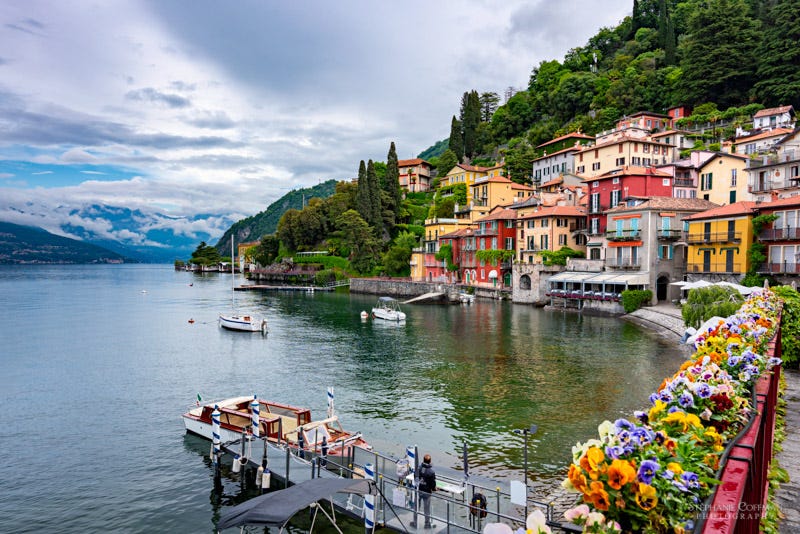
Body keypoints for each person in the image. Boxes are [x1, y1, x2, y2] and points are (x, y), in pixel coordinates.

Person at [412, 454, 436, 529]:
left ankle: (415, 523)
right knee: (427, 509)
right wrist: (434, 488)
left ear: (423, 460)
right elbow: (433, 484)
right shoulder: (431, 472)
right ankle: (427, 524)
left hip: (418, 490)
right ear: (430, 461)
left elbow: (415, 477)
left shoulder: (418, 468)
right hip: (427, 492)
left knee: (416, 507)